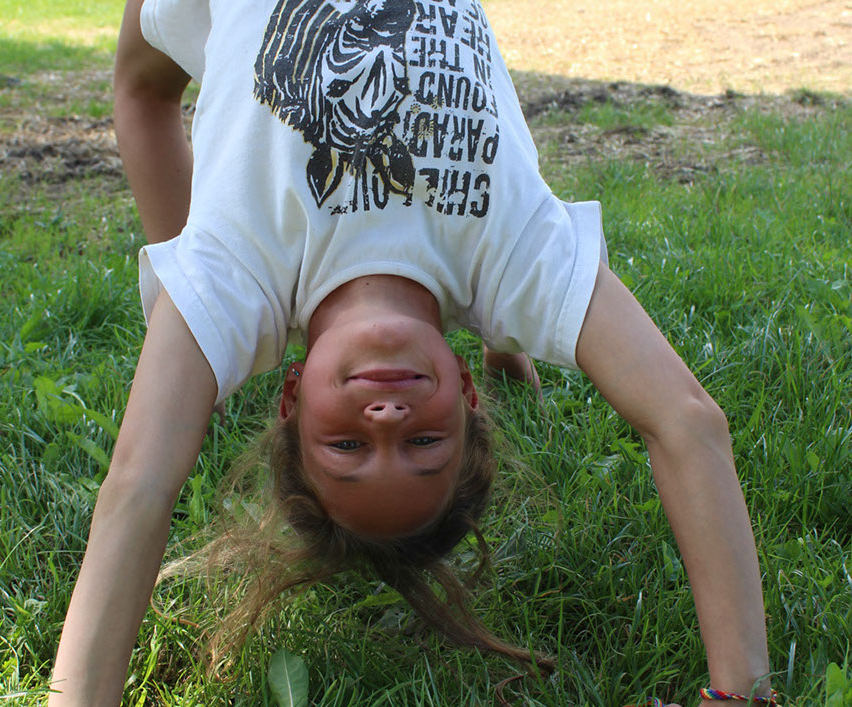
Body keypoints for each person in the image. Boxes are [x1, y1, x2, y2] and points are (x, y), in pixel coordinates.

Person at [49, 0, 776, 704]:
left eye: (347, 445)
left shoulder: (234, 278)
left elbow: (138, 487)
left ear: (291, 397)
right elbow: (688, 421)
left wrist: (194, 338)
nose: (388, 418)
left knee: (143, 88)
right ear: (463, 391)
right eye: (424, 442)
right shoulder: (515, 258)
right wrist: (739, 694)